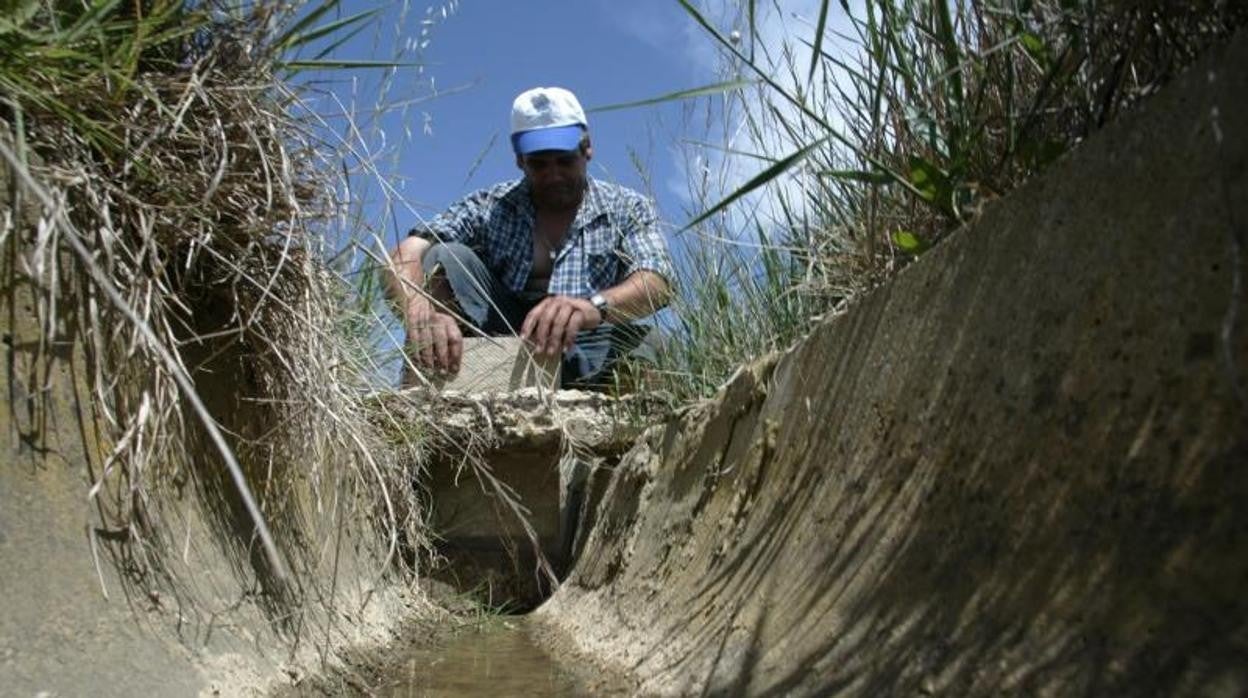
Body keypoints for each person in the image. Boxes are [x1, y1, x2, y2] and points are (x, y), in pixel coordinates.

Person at [385, 86, 674, 388]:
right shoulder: (488, 205)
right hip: (496, 338)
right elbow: (405, 254)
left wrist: (593, 306)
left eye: (564, 160)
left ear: (587, 149)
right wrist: (420, 311)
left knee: (651, 344)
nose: (553, 174)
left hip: (587, 342)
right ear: (520, 160)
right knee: (442, 256)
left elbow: (657, 282)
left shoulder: (627, 207)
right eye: (539, 163)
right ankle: (434, 379)